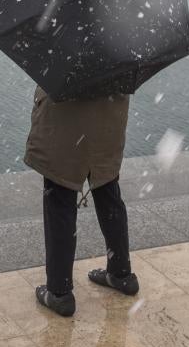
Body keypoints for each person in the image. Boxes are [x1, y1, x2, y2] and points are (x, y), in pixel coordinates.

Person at [24, 84, 139, 317]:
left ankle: (59, 291)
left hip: (66, 130)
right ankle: (122, 274)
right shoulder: (119, 49)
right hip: (108, 127)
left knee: (59, 204)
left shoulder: (63, 50)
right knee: (109, 195)